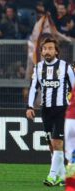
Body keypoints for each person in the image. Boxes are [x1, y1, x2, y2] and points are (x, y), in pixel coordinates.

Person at [26, 36, 75, 186]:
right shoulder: (38, 68)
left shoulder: (66, 67)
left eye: (50, 48)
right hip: (46, 110)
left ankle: (51, 176)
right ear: (41, 51)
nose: (48, 51)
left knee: (57, 143)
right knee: (51, 145)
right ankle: (62, 177)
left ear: (56, 51)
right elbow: (34, 88)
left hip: (63, 110)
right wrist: (29, 107)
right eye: (45, 49)